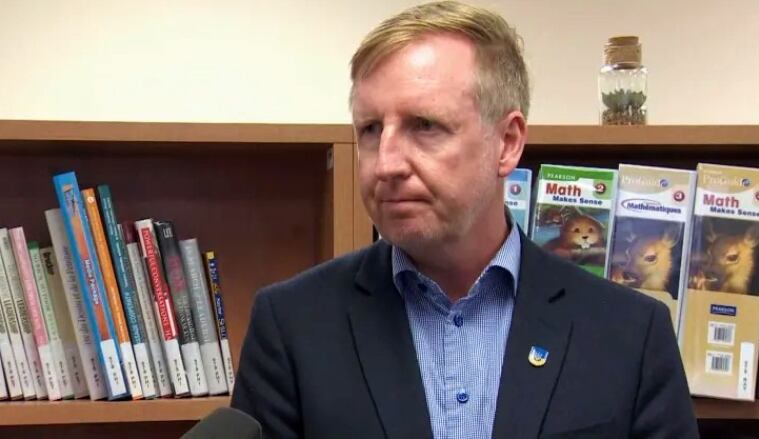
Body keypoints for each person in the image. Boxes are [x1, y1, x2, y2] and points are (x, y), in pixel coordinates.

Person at [231, 1, 699, 438]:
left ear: (508, 143)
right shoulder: (293, 326)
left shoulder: (631, 334)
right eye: (371, 129)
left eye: (425, 126)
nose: (386, 163)